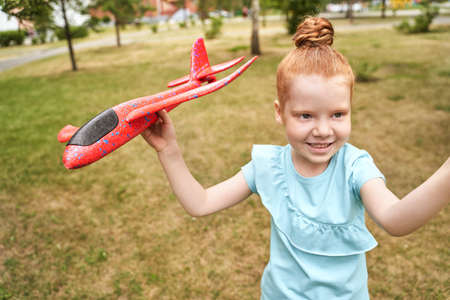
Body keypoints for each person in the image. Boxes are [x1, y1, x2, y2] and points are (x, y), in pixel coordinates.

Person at [141, 17, 449, 300]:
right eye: (305, 115)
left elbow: (395, 219)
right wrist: (169, 151)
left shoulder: (355, 168)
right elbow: (201, 203)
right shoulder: (268, 167)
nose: (323, 130)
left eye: (338, 114)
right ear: (280, 113)